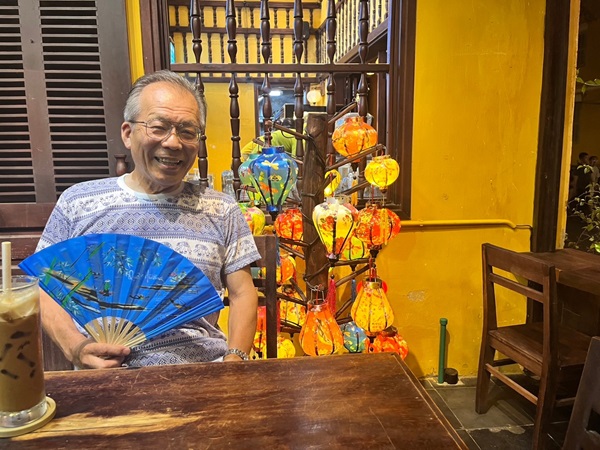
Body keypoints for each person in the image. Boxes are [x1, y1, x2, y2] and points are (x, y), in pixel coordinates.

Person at [37, 70, 260, 369]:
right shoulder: (77, 202)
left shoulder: (221, 209)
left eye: (188, 131)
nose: (173, 142)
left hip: (203, 369)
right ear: (128, 134)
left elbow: (242, 293)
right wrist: (75, 347)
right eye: (159, 127)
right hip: (107, 374)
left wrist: (235, 360)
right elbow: (44, 286)